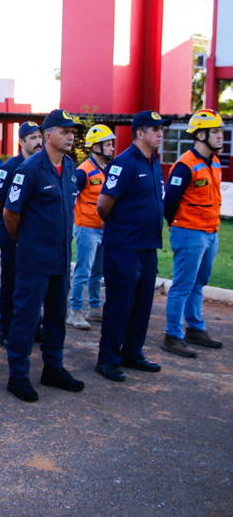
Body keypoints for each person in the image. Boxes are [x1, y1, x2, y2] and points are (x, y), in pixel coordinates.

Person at [3, 109, 85, 402]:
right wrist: (26, 243)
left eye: (72, 131)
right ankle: (18, 375)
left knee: (56, 317)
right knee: (26, 318)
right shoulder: (29, 170)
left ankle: (53, 368)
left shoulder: (71, 168)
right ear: (48, 136)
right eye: (65, 131)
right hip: (34, 259)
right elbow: (10, 214)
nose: (70, 136)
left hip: (60, 259)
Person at [95, 110, 168, 382]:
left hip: (148, 247)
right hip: (124, 247)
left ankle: (132, 352)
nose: (160, 133)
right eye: (155, 129)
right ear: (140, 133)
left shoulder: (153, 163)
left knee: (142, 304)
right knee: (119, 304)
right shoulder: (123, 163)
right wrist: (122, 228)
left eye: (161, 129)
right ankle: (108, 359)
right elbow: (104, 205)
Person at [162, 109, 225, 357]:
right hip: (189, 232)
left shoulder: (215, 162)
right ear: (200, 134)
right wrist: (175, 223)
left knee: (199, 283)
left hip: (211, 232)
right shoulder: (185, 165)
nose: (221, 136)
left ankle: (195, 329)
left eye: (221, 131)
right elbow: (169, 202)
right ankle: (172, 335)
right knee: (183, 285)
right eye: (216, 131)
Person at [0, 121, 43, 346]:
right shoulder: (9, 168)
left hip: (36, 240)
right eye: (33, 138)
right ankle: (6, 328)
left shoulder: (43, 165)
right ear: (21, 142)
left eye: (40, 137)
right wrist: (13, 225)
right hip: (12, 239)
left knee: (34, 285)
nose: (38, 142)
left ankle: (32, 325)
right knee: (11, 284)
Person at [67, 124, 116, 329]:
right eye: (108, 144)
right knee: (83, 271)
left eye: (112, 144)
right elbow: (71, 200)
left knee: (98, 272)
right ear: (95, 147)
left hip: (103, 229)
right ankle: (75, 311)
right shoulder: (83, 172)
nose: (112, 148)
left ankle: (94, 309)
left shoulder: (108, 170)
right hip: (86, 228)